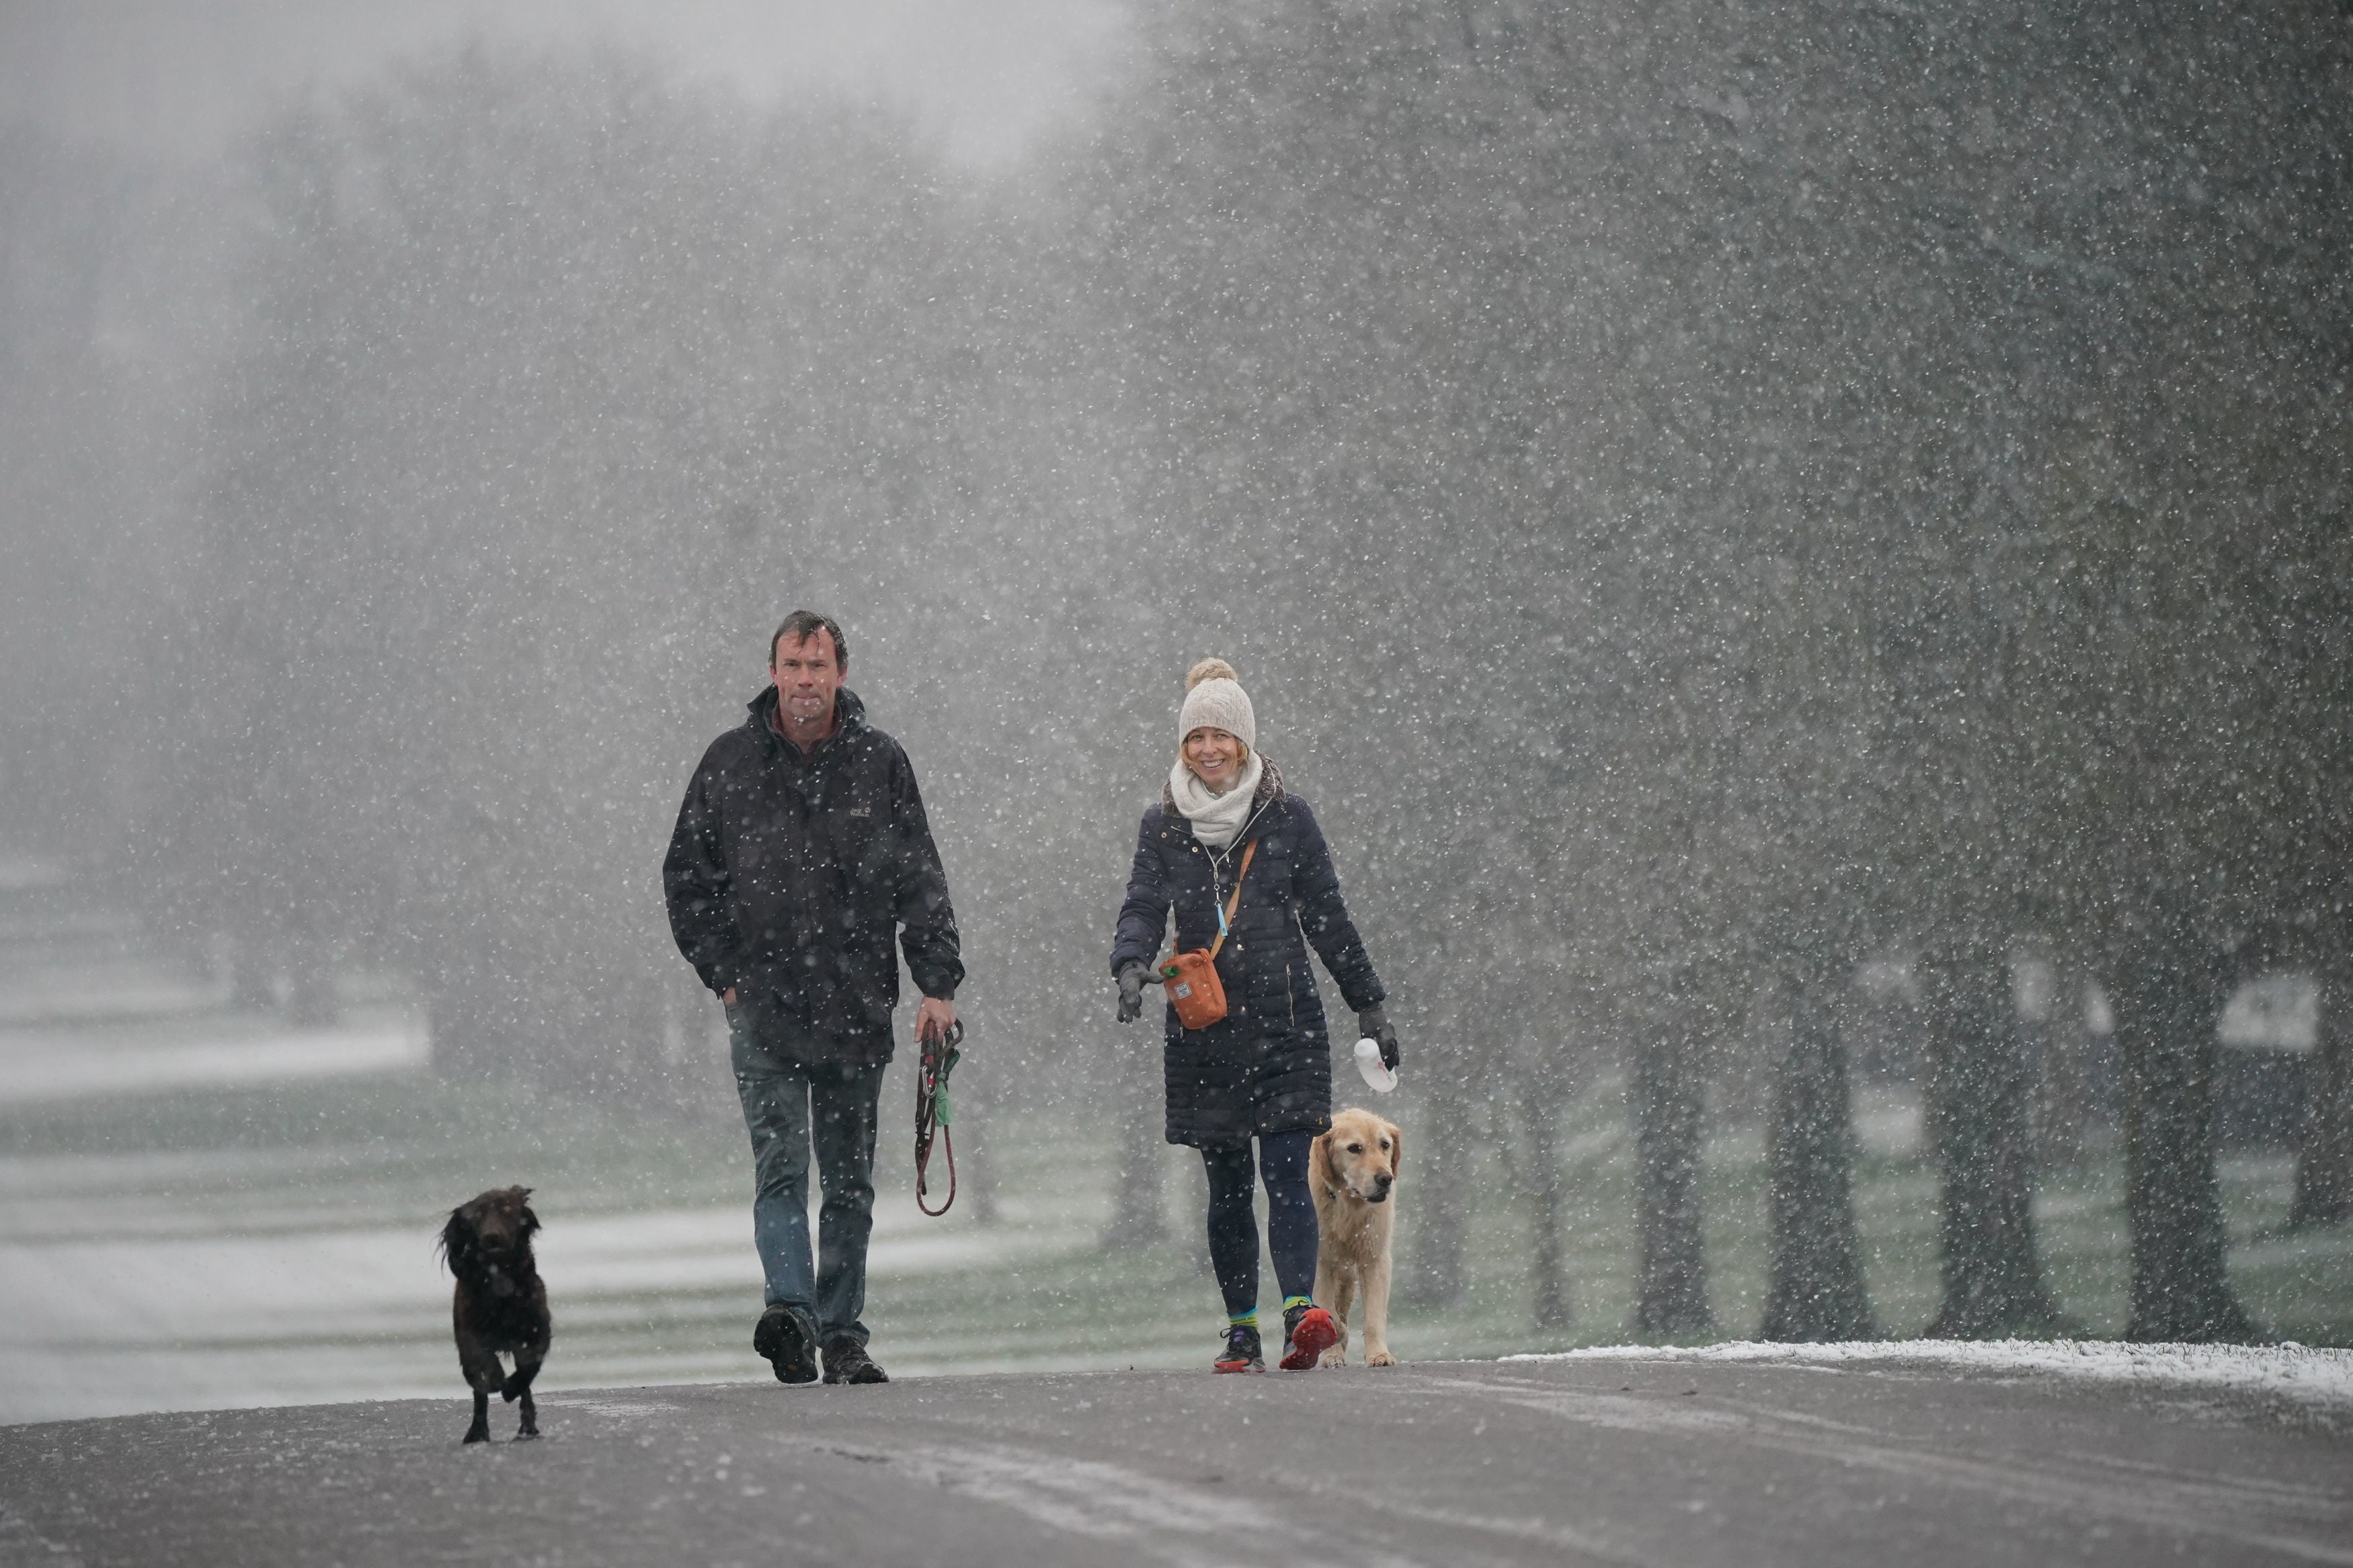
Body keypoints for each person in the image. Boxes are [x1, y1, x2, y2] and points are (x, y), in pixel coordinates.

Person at [664, 611, 961, 1387]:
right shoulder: (728, 763)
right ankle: (791, 1315)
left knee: (849, 1183)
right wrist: (724, 971)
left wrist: (937, 984)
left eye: (817, 665)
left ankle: (843, 1335)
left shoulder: (880, 763)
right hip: (761, 1008)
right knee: (780, 1171)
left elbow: (920, 880)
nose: (805, 679)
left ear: (840, 673)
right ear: (772, 672)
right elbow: (686, 878)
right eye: (793, 665)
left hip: (856, 1007)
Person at [1110, 658, 1402, 1372]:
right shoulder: (1163, 824)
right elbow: (1143, 902)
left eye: (1221, 736)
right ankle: (1242, 1330)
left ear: (1244, 742)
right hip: (1204, 1031)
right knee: (1228, 1186)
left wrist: (1369, 1003)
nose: (1208, 749)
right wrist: (1128, 963)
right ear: (1183, 745)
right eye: (1195, 737)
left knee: (1286, 1172)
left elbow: (1327, 914)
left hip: (1286, 1025)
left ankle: (1301, 1314)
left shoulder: (1288, 817)